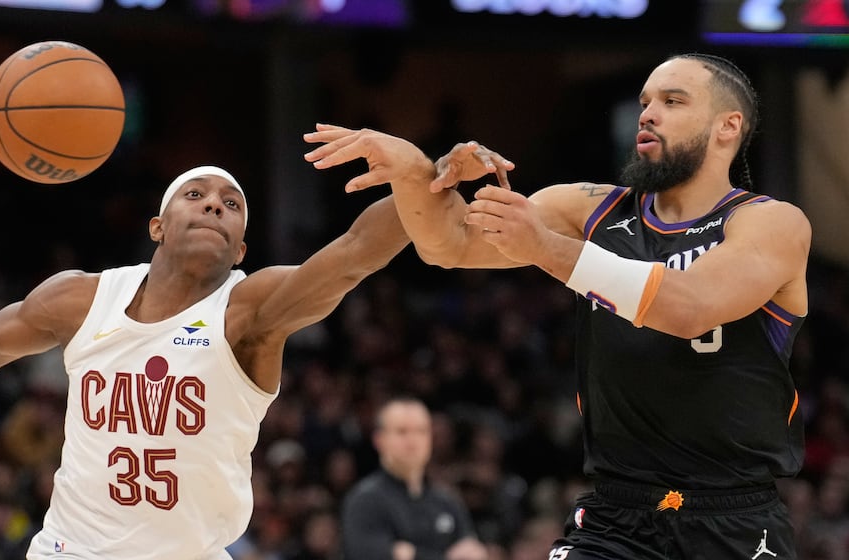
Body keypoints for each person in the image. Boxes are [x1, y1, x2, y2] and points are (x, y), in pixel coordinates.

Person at [304, 52, 812, 559]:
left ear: (728, 126)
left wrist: (545, 248)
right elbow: (449, 245)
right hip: (615, 518)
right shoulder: (589, 208)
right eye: (644, 102)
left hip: (734, 520)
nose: (648, 114)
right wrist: (416, 173)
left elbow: (691, 307)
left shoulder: (771, 223)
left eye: (673, 101)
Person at [0, 164, 415, 560]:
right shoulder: (82, 298)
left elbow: (353, 254)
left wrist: (423, 177)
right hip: (73, 550)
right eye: (196, 195)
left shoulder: (248, 310)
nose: (214, 205)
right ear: (157, 227)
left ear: (240, 251)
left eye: (231, 205)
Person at [340, 397, 488, 560]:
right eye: (402, 432)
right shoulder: (365, 500)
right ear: (379, 440)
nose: (412, 441)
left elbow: (472, 552)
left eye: (421, 431)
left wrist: (410, 554)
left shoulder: (447, 501)